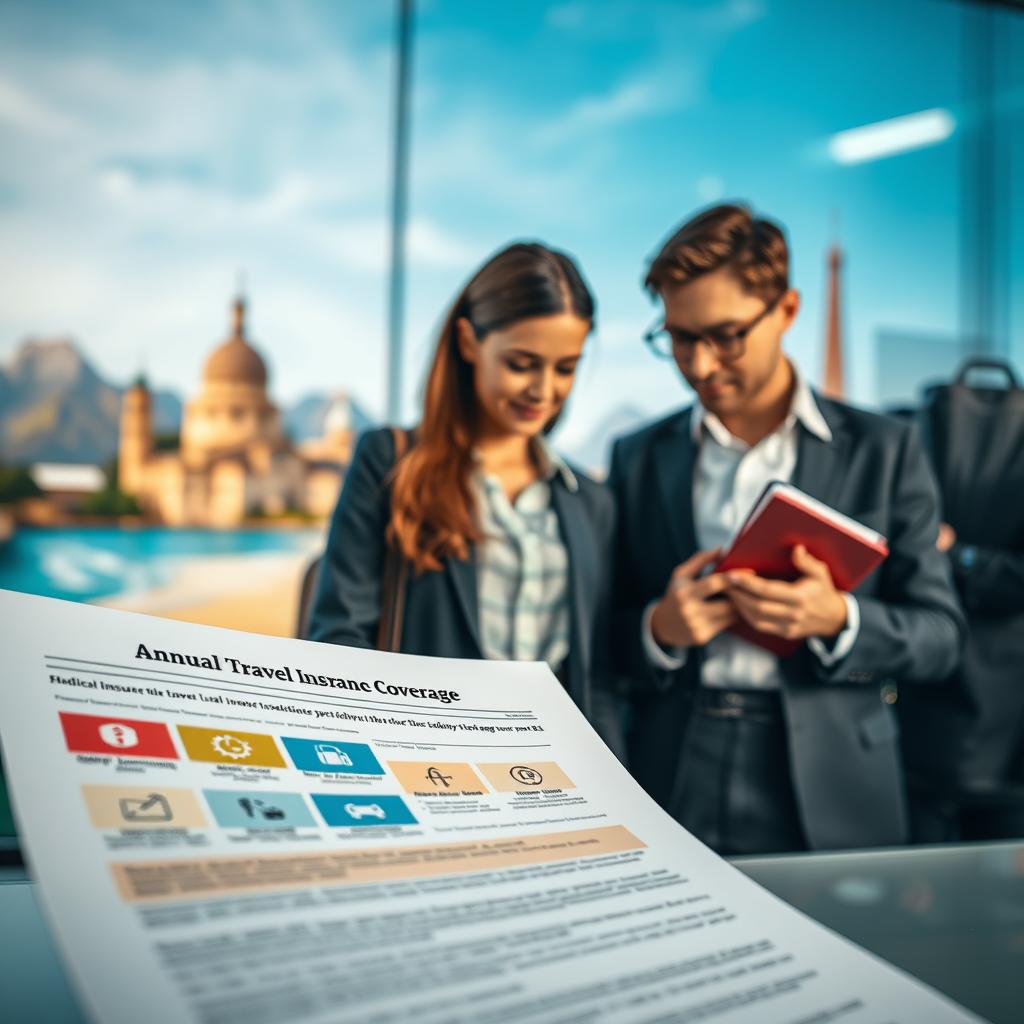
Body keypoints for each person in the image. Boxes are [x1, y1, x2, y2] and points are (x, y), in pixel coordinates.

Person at [608, 204, 964, 854]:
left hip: (836, 775)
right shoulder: (636, 456)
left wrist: (839, 619)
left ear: (788, 310)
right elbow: (604, 632)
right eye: (679, 338)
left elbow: (941, 638)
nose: (700, 364)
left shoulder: (886, 450)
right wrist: (658, 630)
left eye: (726, 335)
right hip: (672, 766)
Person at [307, 242, 623, 755]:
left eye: (565, 368)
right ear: (468, 341)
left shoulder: (592, 503)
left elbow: (599, 678)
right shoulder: (389, 461)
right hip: (421, 768)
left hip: (558, 778)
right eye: (523, 363)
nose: (544, 390)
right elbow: (338, 638)